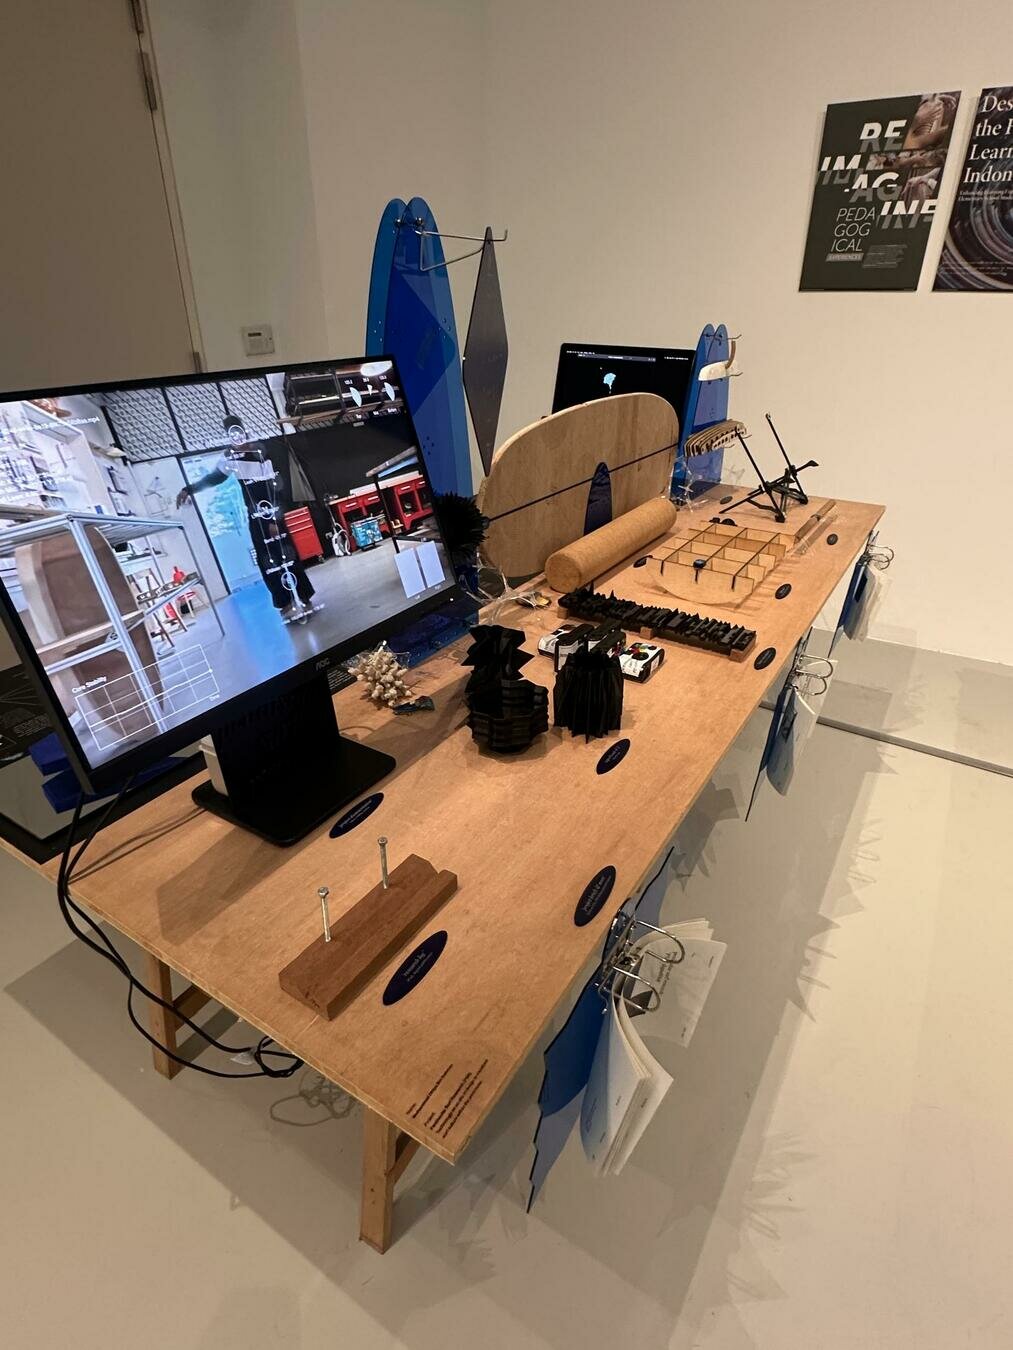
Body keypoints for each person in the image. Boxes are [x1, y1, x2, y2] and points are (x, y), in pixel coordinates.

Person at [176, 414, 316, 621]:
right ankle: (285, 603)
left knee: (288, 555)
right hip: (255, 518)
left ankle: (304, 596)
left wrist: (273, 520)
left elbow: (274, 487)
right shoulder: (230, 457)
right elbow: (214, 478)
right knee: (267, 561)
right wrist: (189, 489)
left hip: (272, 514)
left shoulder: (260, 451)